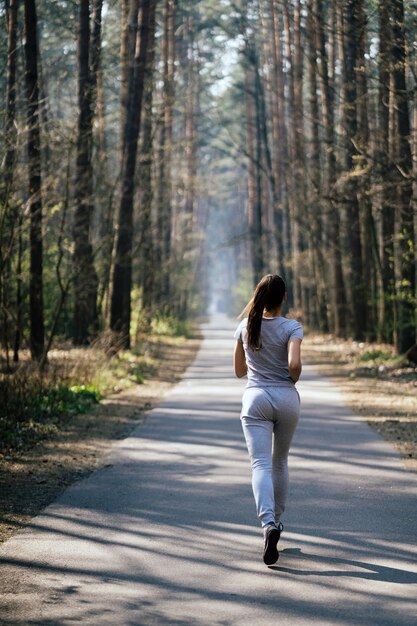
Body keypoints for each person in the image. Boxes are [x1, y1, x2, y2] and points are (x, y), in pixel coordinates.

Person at [233, 274, 303, 566]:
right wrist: (291, 379)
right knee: (280, 461)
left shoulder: (245, 326)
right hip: (286, 397)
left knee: (260, 464)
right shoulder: (292, 327)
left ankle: (268, 524)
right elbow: (294, 365)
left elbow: (238, 371)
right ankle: (278, 521)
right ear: (284, 297)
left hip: (256, 399)